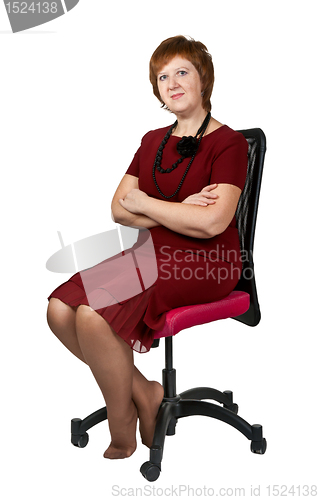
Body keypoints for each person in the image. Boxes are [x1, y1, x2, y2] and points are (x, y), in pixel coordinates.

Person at [47, 35, 248, 461]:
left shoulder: (228, 143)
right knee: (60, 309)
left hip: (207, 263)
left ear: (203, 80)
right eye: (162, 76)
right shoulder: (152, 140)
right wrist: (176, 210)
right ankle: (145, 390)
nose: (172, 83)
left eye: (182, 73)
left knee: (94, 314)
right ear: (155, 88)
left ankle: (123, 427)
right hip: (152, 255)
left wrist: (146, 204)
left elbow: (213, 221)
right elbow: (119, 210)